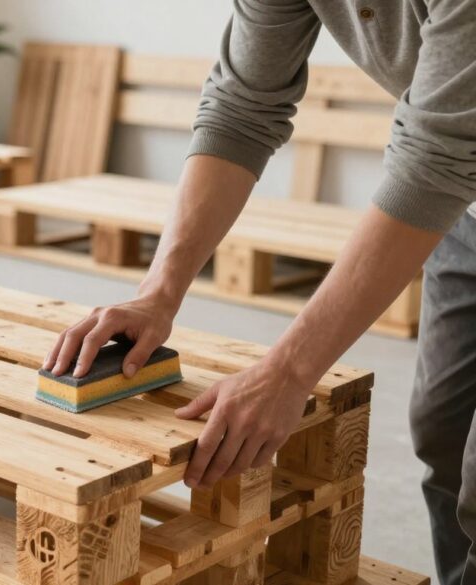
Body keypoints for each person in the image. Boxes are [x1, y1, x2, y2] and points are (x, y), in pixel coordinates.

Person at [43, 2, 476, 583]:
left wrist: (290, 371)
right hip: (467, 212)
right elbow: (242, 108)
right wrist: (158, 291)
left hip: (453, 172)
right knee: (443, 438)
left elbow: (435, 160)